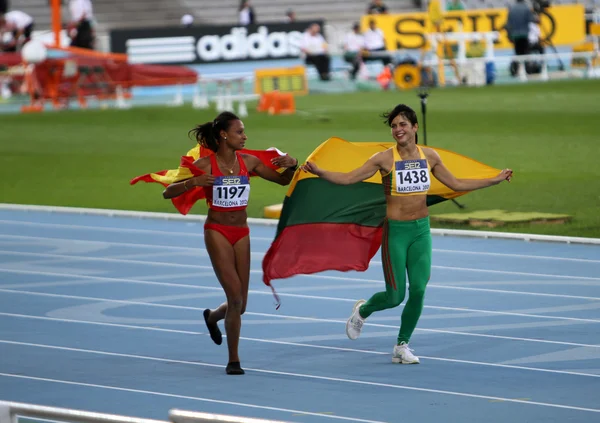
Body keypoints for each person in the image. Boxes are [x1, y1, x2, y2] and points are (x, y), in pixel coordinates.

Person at [301, 104, 512, 364]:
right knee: (395, 296)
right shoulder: (384, 159)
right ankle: (363, 310)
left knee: (420, 290)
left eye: (402, 124)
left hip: (421, 231)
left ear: (415, 127)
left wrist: (495, 178)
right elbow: (349, 178)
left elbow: (456, 183)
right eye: (393, 126)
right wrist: (320, 171)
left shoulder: (430, 156)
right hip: (396, 233)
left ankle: (402, 345)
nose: (397, 130)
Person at [162, 112, 298, 375]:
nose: (245, 137)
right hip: (218, 232)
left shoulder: (250, 161)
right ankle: (233, 360)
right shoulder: (204, 165)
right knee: (235, 297)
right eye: (240, 132)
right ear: (224, 135)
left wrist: (292, 163)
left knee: (241, 304)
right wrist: (194, 182)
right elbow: (167, 192)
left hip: (242, 233)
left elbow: (283, 179)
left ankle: (212, 316)